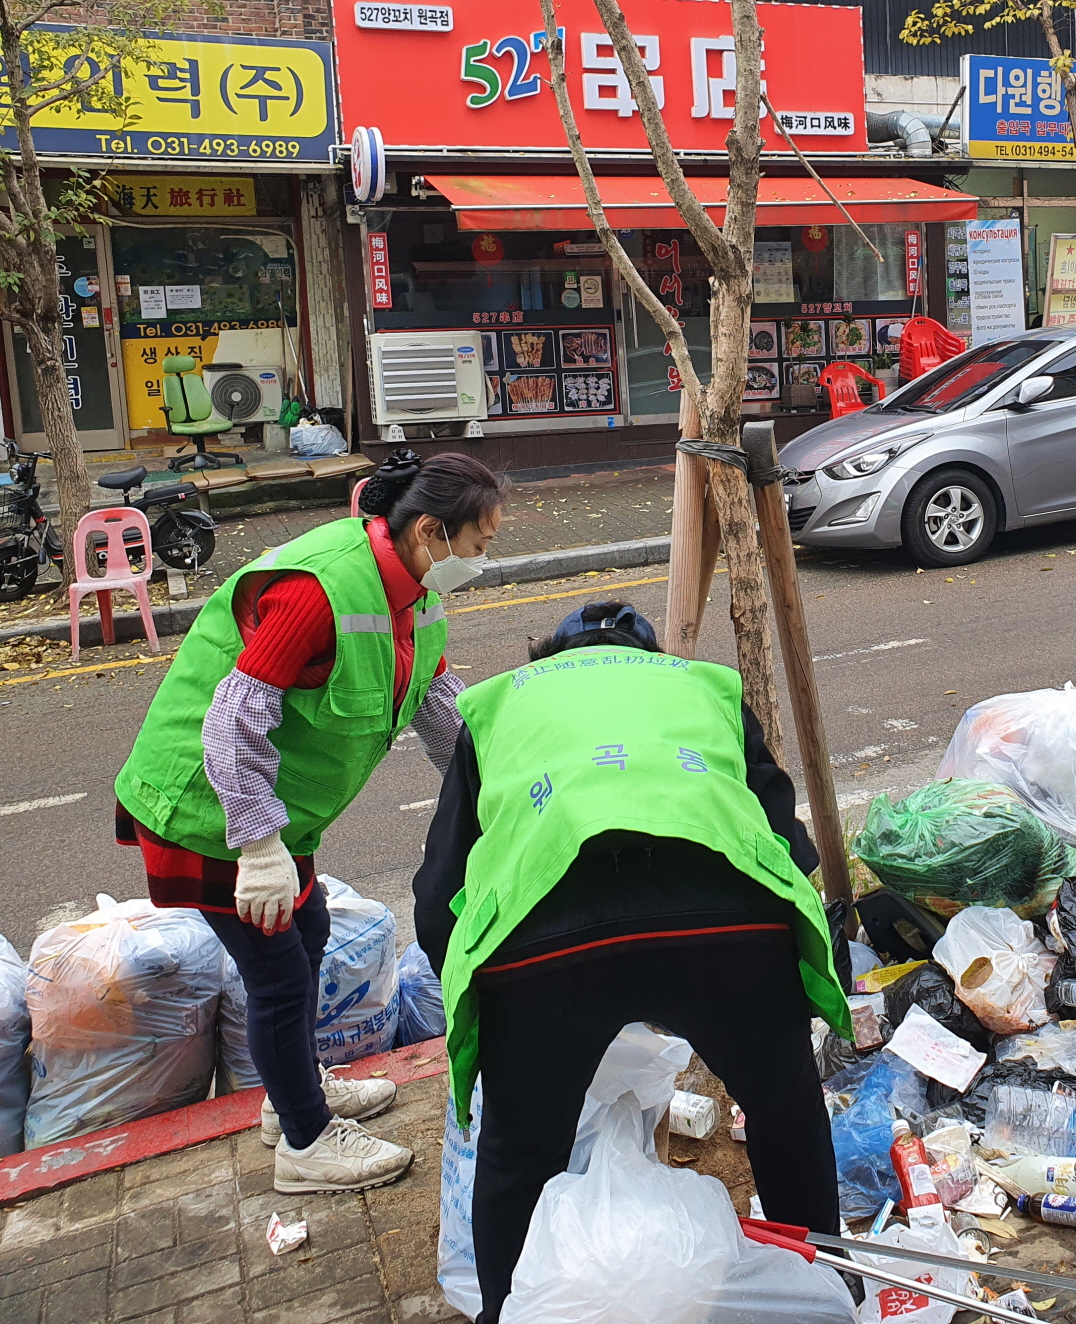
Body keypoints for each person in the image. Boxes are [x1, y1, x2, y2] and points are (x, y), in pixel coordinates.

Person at [413, 601, 851, 1324]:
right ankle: (830, 1292)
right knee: (786, 1115)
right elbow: (790, 846)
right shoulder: (703, 686)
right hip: (728, 926)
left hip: (545, 945)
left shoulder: (495, 707)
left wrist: (500, 1020)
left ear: (546, 658)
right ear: (647, 655)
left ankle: (502, 1312)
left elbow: (438, 895)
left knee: (517, 1156)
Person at [114, 449, 504, 1194]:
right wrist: (257, 845)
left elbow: (434, 699)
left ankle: (295, 1093)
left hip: (274, 813)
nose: (483, 559)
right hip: (211, 808)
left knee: (311, 933)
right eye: (479, 544)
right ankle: (304, 1142)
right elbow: (234, 719)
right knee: (279, 975)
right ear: (431, 530)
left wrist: (495, 784)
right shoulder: (319, 589)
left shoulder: (419, 591)